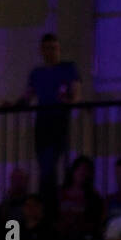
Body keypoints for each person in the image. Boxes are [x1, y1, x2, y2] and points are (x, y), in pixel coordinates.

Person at [24, 33, 81, 198]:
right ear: (42, 51)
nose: (52, 52)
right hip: (43, 121)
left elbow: (76, 95)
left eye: (55, 48)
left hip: (58, 119)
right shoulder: (37, 73)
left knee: (51, 162)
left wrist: (68, 100)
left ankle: (49, 198)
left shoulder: (68, 68)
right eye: (48, 48)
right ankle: (47, 197)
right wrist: (13, 105)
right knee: (44, 164)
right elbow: (28, 96)